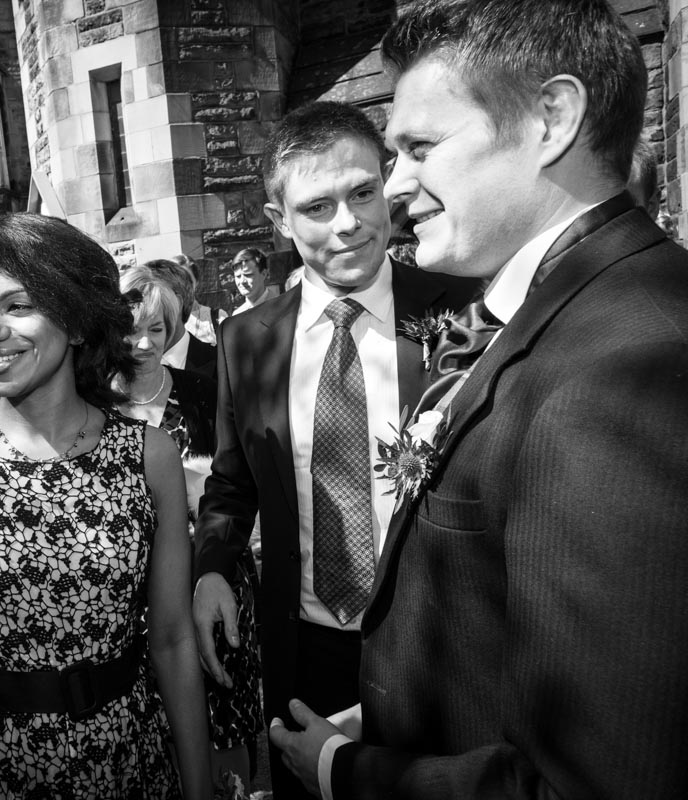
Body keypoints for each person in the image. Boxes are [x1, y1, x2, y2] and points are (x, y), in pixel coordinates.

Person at [273, 2, 688, 798]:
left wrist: (344, 770)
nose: (395, 187)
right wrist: (392, 716)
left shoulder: (624, 373)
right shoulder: (560, 312)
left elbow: (592, 779)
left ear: (551, 118)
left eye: (420, 148)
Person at [192, 100, 477, 800]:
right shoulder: (245, 340)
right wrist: (212, 568)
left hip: (438, 644)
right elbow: (233, 481)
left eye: (362, 193)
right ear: (279, 220)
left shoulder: (465, 313)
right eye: (318, 207)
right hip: (306, 648)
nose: (348, 223)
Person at [0, 213, 212, 799]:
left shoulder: (148, 455)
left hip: (129, 760)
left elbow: (172, 639)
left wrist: (200, 789)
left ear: (78, 320)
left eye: (17, 306)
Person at [114, 269, 262, 789]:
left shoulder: (203, 392)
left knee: (223, 724)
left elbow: (236, 483)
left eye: (157, 329)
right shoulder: (91, 407)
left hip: (210, 574)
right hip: (133, 597)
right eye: (131, 329)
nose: (144, 343)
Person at [141, 258, 218, 379]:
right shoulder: (122, 367)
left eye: (149, 299)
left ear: (176, 303)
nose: (138, 310)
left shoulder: (221, 363)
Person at [172, 253, 227, 346]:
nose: (182, 285)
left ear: (196, 282)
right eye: (176, 280)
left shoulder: (217, 318)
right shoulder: (163, 322)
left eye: (187, 280)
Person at [229, 248, 272, 315]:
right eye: (238, 276)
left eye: (248, 275)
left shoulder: (281, 307)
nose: (242, 281)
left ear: (264, 274)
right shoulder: (237, 315)